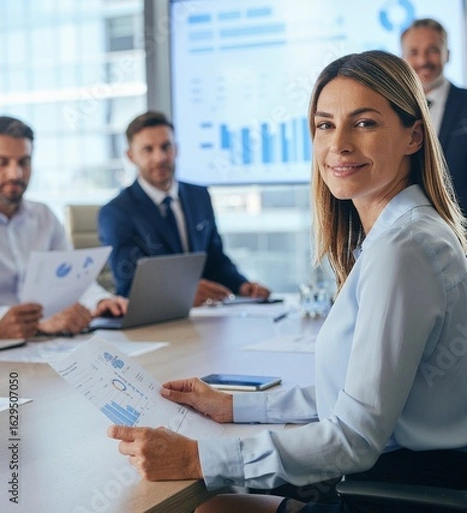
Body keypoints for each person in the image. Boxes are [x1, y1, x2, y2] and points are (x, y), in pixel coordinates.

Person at [107, 51, 467, 512]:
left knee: (208, 507)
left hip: (401, 492)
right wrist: (234, 407)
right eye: (324, 125)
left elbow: (353, 438)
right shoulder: (402, 234)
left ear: (414, 135)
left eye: (364, 124)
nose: (338, 144)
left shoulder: (403, 249)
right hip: (403, 476)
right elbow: (354, 396)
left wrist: (198, 457)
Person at [98, 112, 270, 306]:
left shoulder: (199, 196)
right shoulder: (117, 212)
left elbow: (214, 259)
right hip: (152, 322)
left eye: (166, 147)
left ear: (176, 149)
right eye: (148, 150)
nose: (160, 157)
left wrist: (241, 285)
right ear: (130, 156)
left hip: (206, 317)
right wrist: (183, 293)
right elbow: (128, 284)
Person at [0, 116, 127, 340]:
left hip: (45, 344)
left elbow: (75, 278)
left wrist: (101, 301)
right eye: (3, 162)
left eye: (24, 162)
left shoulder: (43, 216)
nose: (15, 174)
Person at [401, 17, 467, 216]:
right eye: (414, 52)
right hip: (408, 230)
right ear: (402, 59)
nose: (423, 61)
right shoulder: (393, 110)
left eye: (433, 50)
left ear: (447, 54)